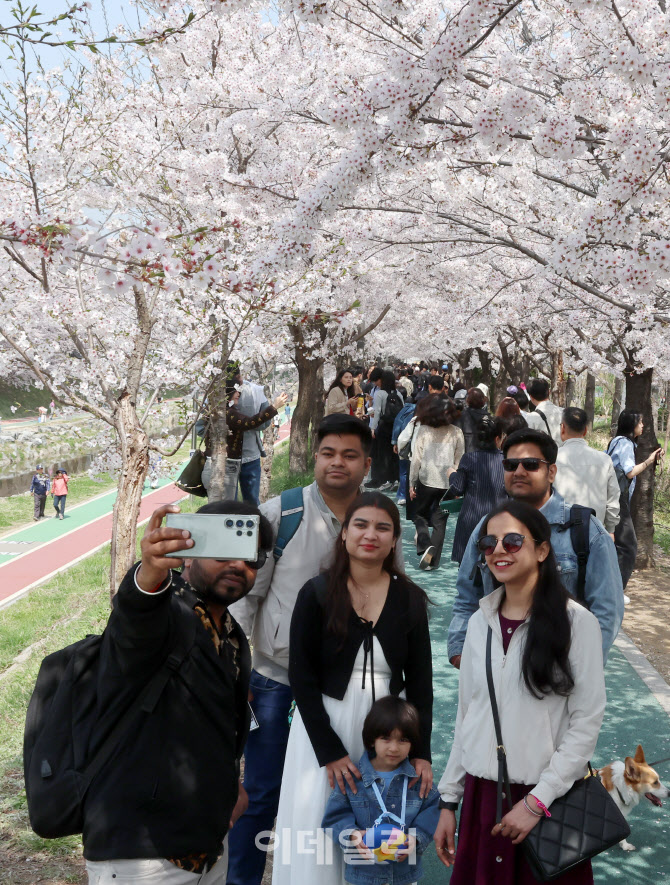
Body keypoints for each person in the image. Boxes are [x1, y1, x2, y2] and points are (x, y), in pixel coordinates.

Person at [227, 415, 394, 885]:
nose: (336, 463)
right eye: (328, 453)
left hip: (349, 691)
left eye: (349, 455)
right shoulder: (281, 514)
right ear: (316, 457)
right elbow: (243, 598)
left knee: (347, 792)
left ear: (366, 462)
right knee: (261, 793)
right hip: (275, 681)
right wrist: (237, 673)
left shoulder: (376, 517)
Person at [82, 499, 273, 885]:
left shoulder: (231, 634)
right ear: (190, 551)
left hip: (207, 848)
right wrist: (149, 572)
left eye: (253, 557)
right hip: (143, 856)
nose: (239, 565)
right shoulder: (167, 611)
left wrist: (228, 783)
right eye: (224, 550)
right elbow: (135, 618)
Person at [434, 500, 606, 884]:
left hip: (548, 799)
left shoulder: (578, 624)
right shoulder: (480, 622)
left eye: (512, 541)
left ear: (542, 550)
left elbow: (586, 723)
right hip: (482, 798)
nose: (498, 550)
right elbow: (469, 716)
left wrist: (536, 802)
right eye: (488, 543)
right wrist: (448, 800)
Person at [272, 493, 433, 885]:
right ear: (344, 534)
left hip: (388, 729)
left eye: (383, 527)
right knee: (318, 824)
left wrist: (422, 753)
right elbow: (302, 678)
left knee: (382, 824)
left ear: (395, 539)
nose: (370, 535)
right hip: (326, 725)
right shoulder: (316, 593)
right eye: (360, 524)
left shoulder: (409, 599)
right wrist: (329, 751)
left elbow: (422, 684)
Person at [447, 428, 623, 666]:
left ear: (551, 472)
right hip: (496, 666)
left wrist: (580, 669)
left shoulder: (585, 531)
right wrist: (460, 650)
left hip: (558, 670)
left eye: (530, 464)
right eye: (510, 465)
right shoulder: (487, 526)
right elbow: (467, 593)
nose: (519, 472)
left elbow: (607, 610)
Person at [322, 696, 441, 885]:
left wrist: (415, 838)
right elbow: (333, 818)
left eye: (403, 740)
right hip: (364, 875)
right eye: (386, 738)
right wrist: (352, 834)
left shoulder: (417, 781)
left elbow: (433, 810)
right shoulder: (353, 780)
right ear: (371, 740)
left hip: (404, 875)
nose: (394, 748)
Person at [606, 410, 663, 593]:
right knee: (629, 546)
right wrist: (649, 460)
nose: (643, 425)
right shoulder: (625, 443)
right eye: (640, 422)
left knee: (617, 546)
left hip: (612, 497)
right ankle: (616, 592)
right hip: (618, 499)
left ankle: (611, 588)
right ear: (632, 425)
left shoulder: (616, 441)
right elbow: (630, 471)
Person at [202, 387, 287, 501]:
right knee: (227, 507)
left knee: (222, 506)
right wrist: (274, 407)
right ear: (227, 392)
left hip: (217, 463)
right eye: (235, 391)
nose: (239, 394)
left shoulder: (214, 408)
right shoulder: (227, 413)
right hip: (225, 466)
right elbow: (249, 422)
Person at [409, 396, 464, 570]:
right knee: (440, 522)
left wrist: (412, 482)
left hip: (426, 479)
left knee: (420, 516)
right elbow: (459, 460)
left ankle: (425, 545)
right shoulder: (456, 432)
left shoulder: (424, 430)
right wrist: (456, 482)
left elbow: (416, 459)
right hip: (447, 483)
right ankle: (432, 562)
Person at [448, 416, 507, 564]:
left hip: (470, 520)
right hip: (498, 520)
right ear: (497, 438)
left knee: (467, 569)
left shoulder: (469, 459)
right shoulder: (506, 461)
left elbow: (457, 489)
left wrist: (452, 475)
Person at [553, 407, 620, 537]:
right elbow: (613, 498)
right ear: (585, 430)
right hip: (594, 533)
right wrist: (611, 529)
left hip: (559, 534)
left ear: (562, 428)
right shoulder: (604, 460)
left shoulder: (551, 459)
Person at [237, 378, 275, 506]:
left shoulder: (255, 390)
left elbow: (201, 426)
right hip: (246, 454)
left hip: (241, 456)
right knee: (251, 502)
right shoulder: (255, 391)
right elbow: (265, 423)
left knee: (228, 503)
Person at [367, 370, 403, 491]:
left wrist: (373, 428)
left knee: (383, 454)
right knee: (394, 454)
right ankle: (395, 479)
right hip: (396, 428)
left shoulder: (380, 394)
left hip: (383, 427)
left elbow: (377, 412)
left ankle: (385, 480)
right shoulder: (398, 393)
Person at [524, 379, 564, 447]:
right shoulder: (564, 412)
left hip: (544, 457)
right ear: (549, 392)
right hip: (565, 456)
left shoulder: (530, 418)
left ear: (531, 397)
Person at [459, 388, 489, 453]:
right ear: (483, 400)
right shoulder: (488, 418)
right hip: (485, 457)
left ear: (468, 400)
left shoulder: (461, 416)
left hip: (465, 456)